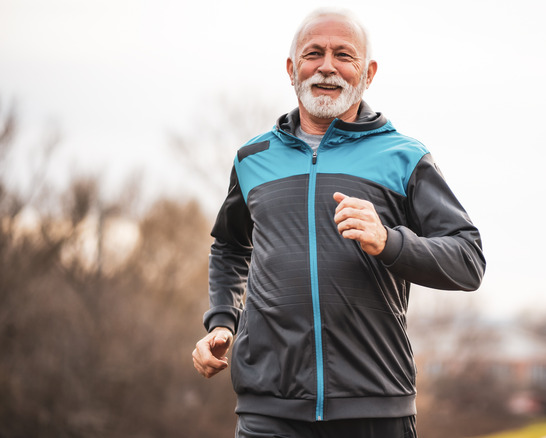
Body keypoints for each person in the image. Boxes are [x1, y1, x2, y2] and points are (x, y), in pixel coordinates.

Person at [192, 8, 486, 438]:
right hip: (267, 408)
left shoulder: (404, 157)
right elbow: (230, 247)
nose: (327, 66)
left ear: (368, 72)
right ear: (293, 69)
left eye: (343, 55)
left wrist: (389, 241)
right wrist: (222, 320)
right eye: (314, 53)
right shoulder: (252, 159)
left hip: (374, 406)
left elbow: (468, 259)